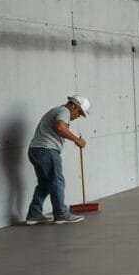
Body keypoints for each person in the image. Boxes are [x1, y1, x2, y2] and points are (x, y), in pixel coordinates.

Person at [25, 95, 91, 225]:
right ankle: (61, 214)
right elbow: (59, 127)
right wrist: (77, 140)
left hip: (35, 150)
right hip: (47, 150)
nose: (78, 116)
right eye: (79, 112)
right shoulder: (64, 111)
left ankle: (34, 214)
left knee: (44, 184)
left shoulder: (56, 111)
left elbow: (59, 127)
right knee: (57, 181)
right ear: (73, 105)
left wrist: (74, 138)